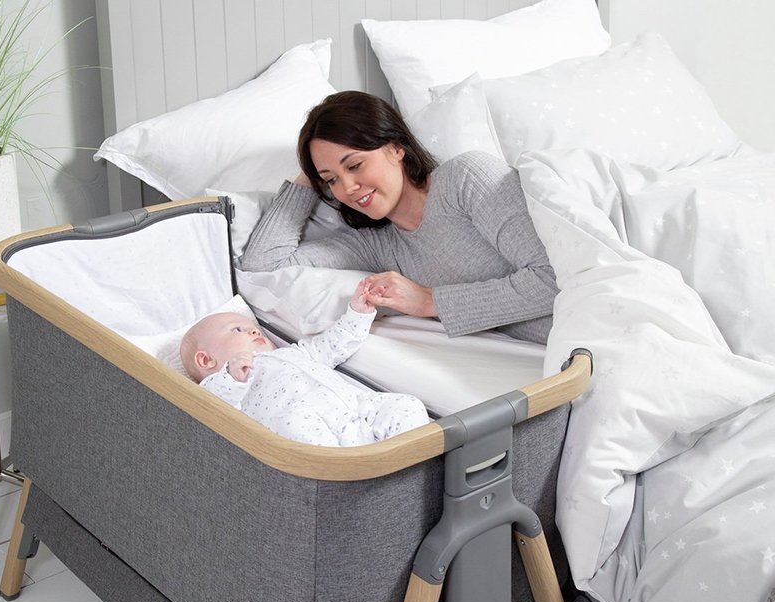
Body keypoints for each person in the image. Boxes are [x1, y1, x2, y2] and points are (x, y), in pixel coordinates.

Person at [239, 91, 558, 344]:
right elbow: (262, 267)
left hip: (596, 324)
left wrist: (429, 301)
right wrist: (309, 177)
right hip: (568, 358)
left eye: (354, 165)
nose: (347, 188)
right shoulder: (375, 246)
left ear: (396, 148)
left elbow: (556, 279)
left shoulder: (465, 179)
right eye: (331, 180)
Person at [179, 280, 429, 447]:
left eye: (255, 329)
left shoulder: (294, 353)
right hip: (308, 427)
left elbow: (333, 344)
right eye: (238, 330)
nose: (255, 332)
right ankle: (345, 471)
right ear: (205, 359)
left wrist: (358, 312)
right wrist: (230, 376)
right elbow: (215, 408)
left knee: (407, 405)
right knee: (294, 423)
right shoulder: (224, 383)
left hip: (357, 413)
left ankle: (404, 459)